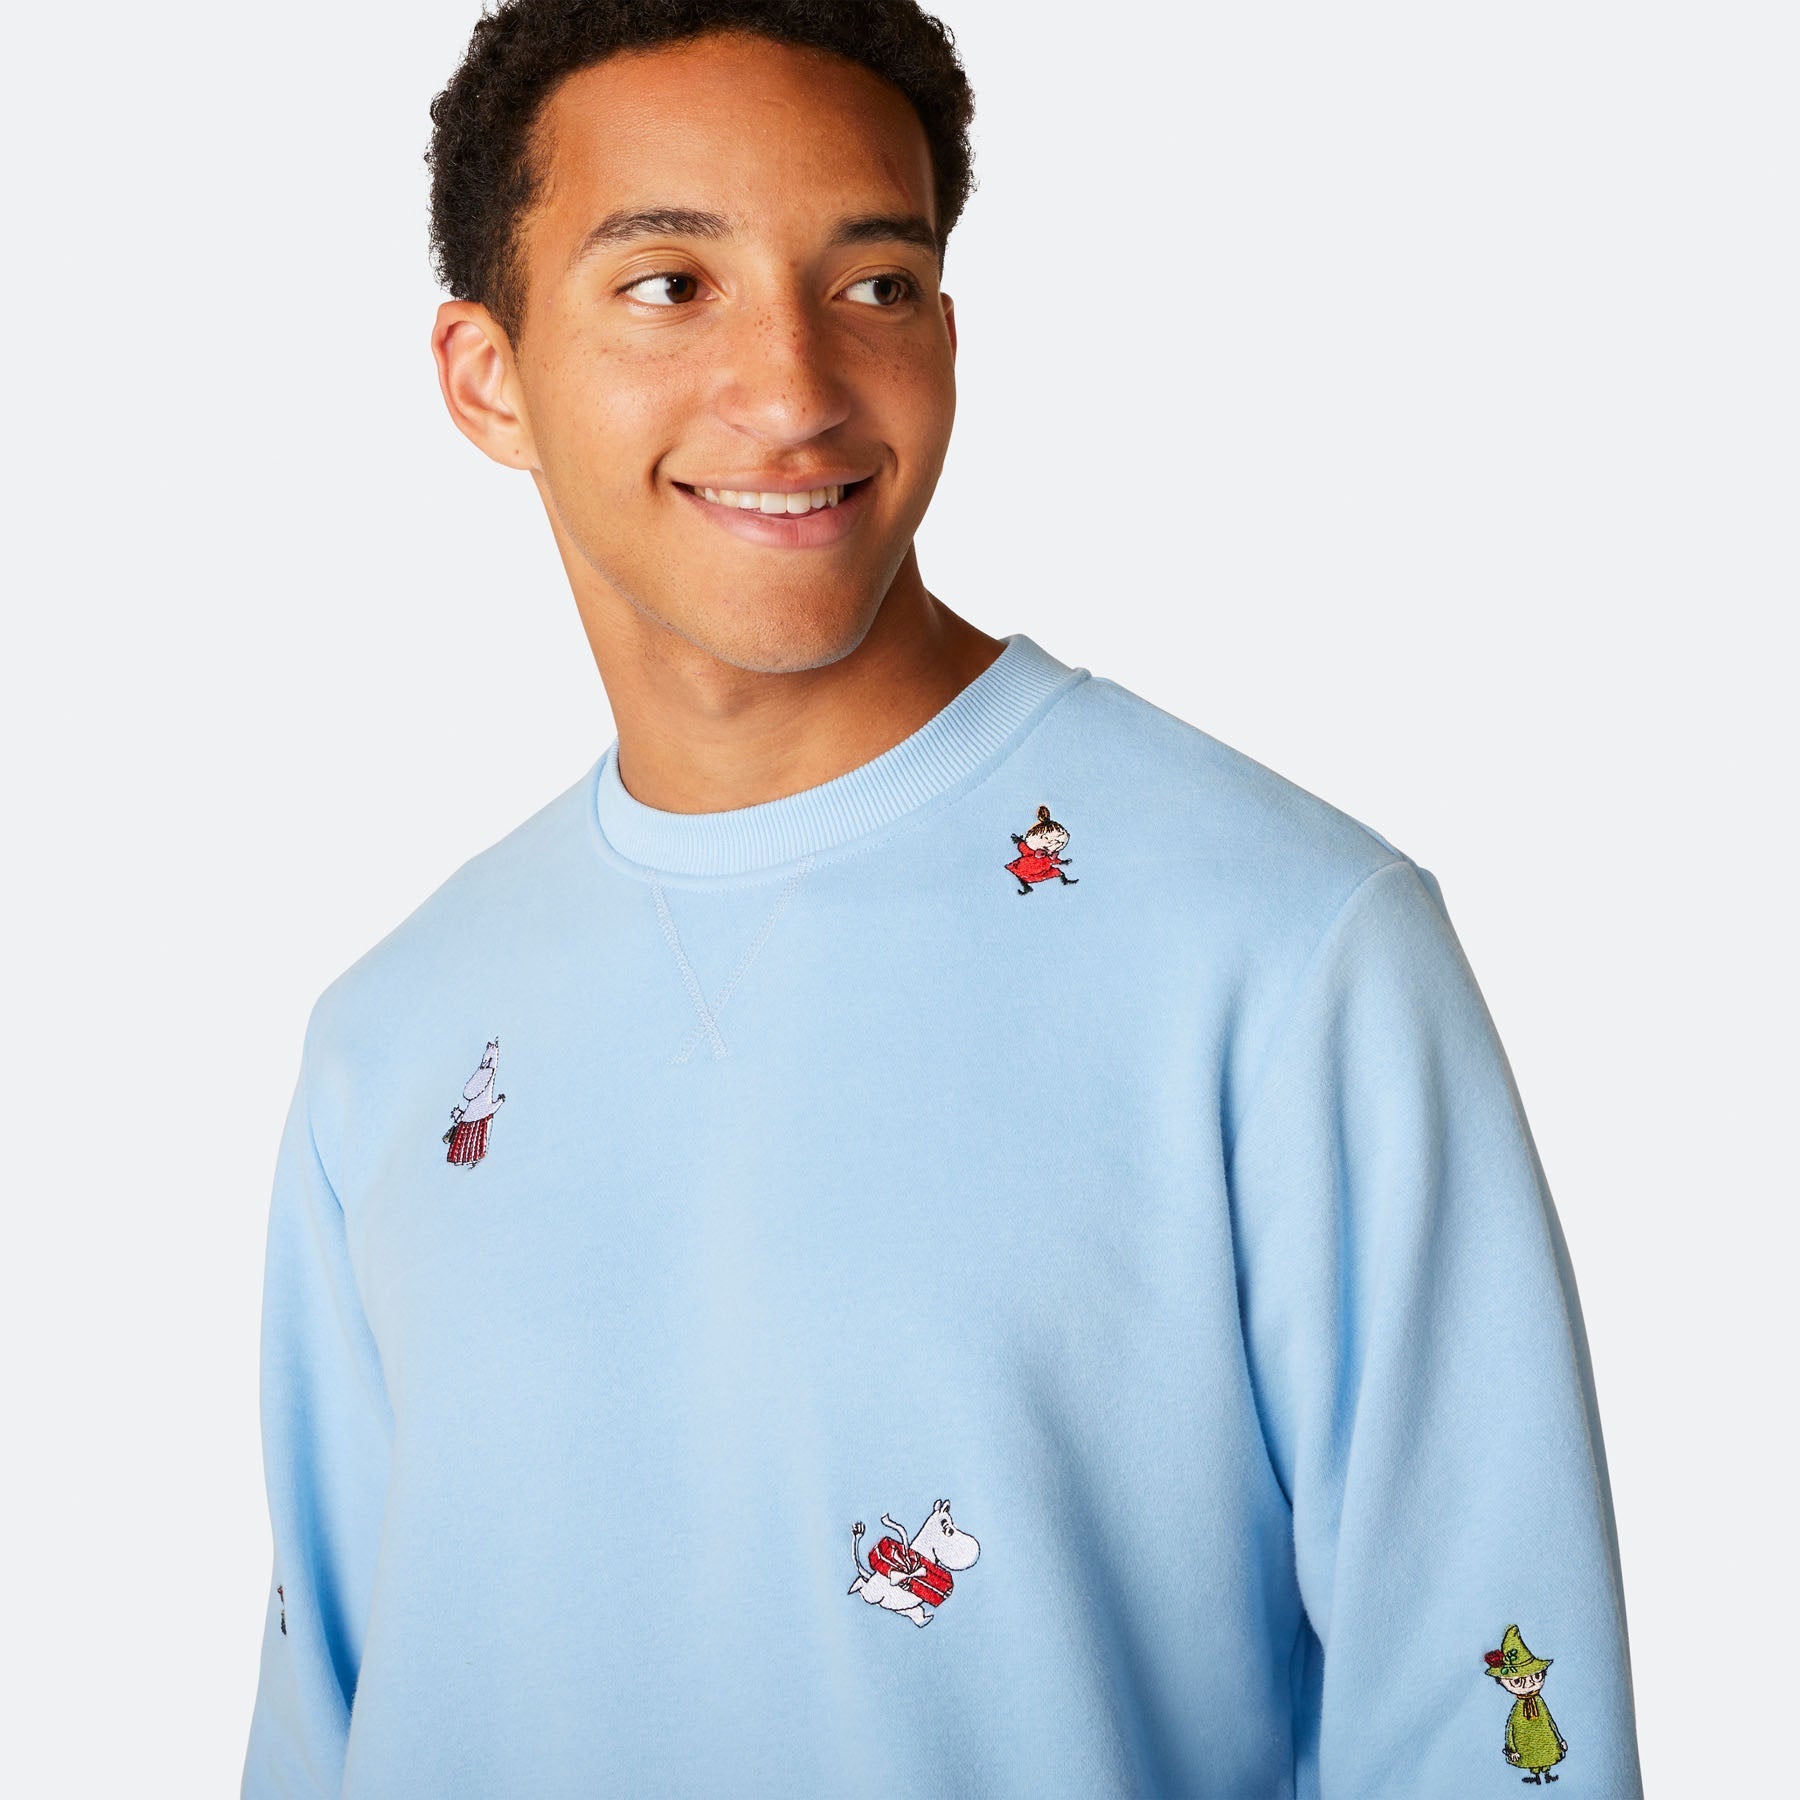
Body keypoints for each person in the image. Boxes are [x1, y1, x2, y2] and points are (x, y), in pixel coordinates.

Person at [241, 3, 1645, 1795]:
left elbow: (1491, 1720)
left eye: (876, 285)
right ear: (485, 377)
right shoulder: (392, 1038)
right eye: (670, 285)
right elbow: (325, 1716)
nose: (794, 389)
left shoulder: (1286, 952)